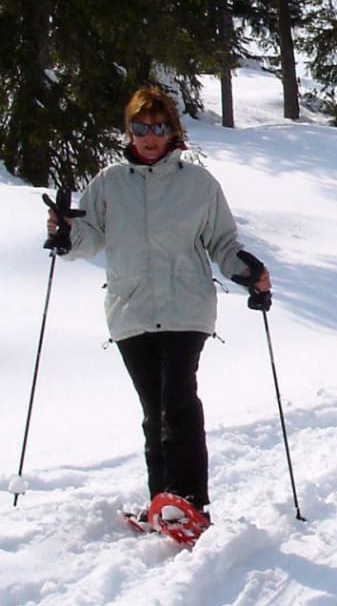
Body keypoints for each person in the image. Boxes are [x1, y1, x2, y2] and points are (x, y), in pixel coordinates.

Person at [44, 86, 271, 521]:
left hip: (186, 307)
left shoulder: (198, 184)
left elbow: (223, 243)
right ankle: (163, 503)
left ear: (172, 131)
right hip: (131, 311)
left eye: (158, 127)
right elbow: (88, 237)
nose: (149, 137)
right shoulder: (109, 183)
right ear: (129, 131)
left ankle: (189, 501)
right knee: (154, 410)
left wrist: (248, 272)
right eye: (141, 128)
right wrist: (65, 234)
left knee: (178, 401)